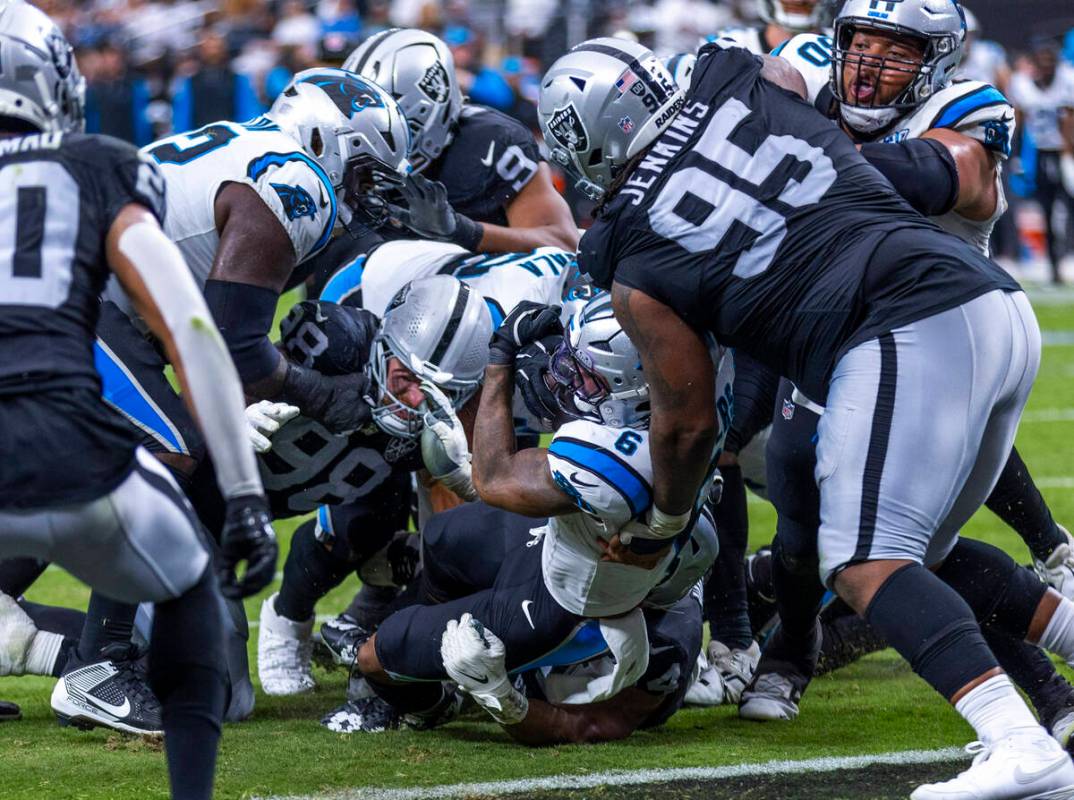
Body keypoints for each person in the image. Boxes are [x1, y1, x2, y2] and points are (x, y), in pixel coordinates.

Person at [540, 33, 1074, 799]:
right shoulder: (730, 74)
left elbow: (689, 423)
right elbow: (784, 71)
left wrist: (663, 518)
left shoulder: (627, 246)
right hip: (985, 299)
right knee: (921, 556)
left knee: (864, 562)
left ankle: (1016, 742)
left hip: (895, 324)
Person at [739, 0, 1074, 723]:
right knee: (799, 505)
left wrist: (793, 153)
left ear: (938, 62)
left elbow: (934, 173)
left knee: (915, 550)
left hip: (941, 347)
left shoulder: (967, 110)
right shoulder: (805, 71)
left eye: (896, 53)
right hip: (830, 333)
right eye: (859, 45)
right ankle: (788, 649)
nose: (868, 66)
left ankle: (1046, 695)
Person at [0, 3, 275, 797]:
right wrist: (246, 493)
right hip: (67, 454)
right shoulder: (97, 164)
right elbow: (192, 329)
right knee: (187, 582)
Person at [90, 66, 409, 721]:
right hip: (60, 301)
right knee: (173, 456)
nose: (367, 194)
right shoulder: (293, 181)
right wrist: (320, 394)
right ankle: (102, 665)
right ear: (327, 141)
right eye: (364, 172)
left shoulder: (246, 147)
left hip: (66, 292)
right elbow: (234, 350)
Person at [334, 295, 729, 733]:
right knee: (444, 538)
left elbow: (583, 728)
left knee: (374, 657)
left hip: (557, 605)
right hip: (559, 542)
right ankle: (437, 646)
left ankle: (433, 702)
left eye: (589, 379)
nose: (571, 382)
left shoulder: (663, 652)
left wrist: (503, 697)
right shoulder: (691, 396)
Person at [255, 275, 495, 695]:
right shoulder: (337, 341)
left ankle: (348, 608)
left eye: (439, 390)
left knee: (367, 525)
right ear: (385, 349)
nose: (415, 400)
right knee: (223, 695)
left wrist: (465, 485)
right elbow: (245, 361)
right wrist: (232, 411)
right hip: (239, 485)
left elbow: (454, 520)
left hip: (344, 480)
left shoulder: (463, 403)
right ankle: (286, 617)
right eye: (405, 377)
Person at [337, 29, 578, 255]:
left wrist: (461, 230)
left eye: (393, 129)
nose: (380, 147)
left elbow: (560, 244)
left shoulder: (494, 142)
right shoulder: (349, 155)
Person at [1008, 38, 1074, 285]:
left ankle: (1066, 257)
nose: (1046, 66)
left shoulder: (1068, 79)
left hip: (1066, 152)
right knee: (1045, 208)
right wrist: (1015, 155)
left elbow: (1069, 120)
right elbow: (1019, 120)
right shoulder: (1022, 83)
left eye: (1050, 61)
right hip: (1039, 153)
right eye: (1041, 61)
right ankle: (1054, 264)